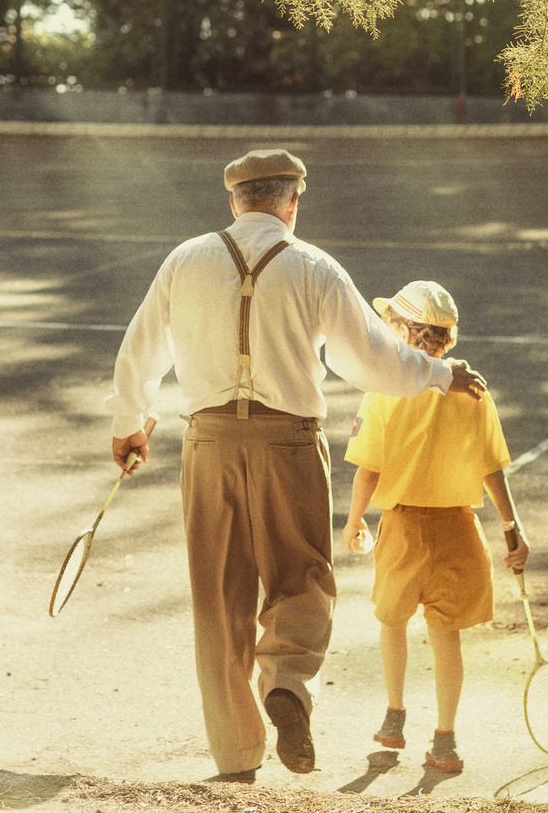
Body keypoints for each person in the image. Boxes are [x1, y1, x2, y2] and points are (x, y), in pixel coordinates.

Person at [107, 149, 487, 784]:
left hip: (209, 444)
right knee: (302, 576)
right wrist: (442, 374)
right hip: (288, 442)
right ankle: (285, 681)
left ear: (234, 201)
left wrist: (129, 424)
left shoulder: (186, 260)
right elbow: (371, 360)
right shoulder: (314, 267)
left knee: (218, 597)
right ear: (292, 201)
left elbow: (140, 349)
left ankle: (234, 759)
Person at [341, 279, 529, 775]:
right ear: (447, 339)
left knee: (391, 621)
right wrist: (512, 527)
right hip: (458, 530)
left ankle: (395, 713)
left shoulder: (386, 387)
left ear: (404, 331)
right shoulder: (474, 391)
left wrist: (354, 519)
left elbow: (369, 469)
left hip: (402, 526)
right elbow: (493, 469)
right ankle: (445, 740)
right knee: (447, 636)